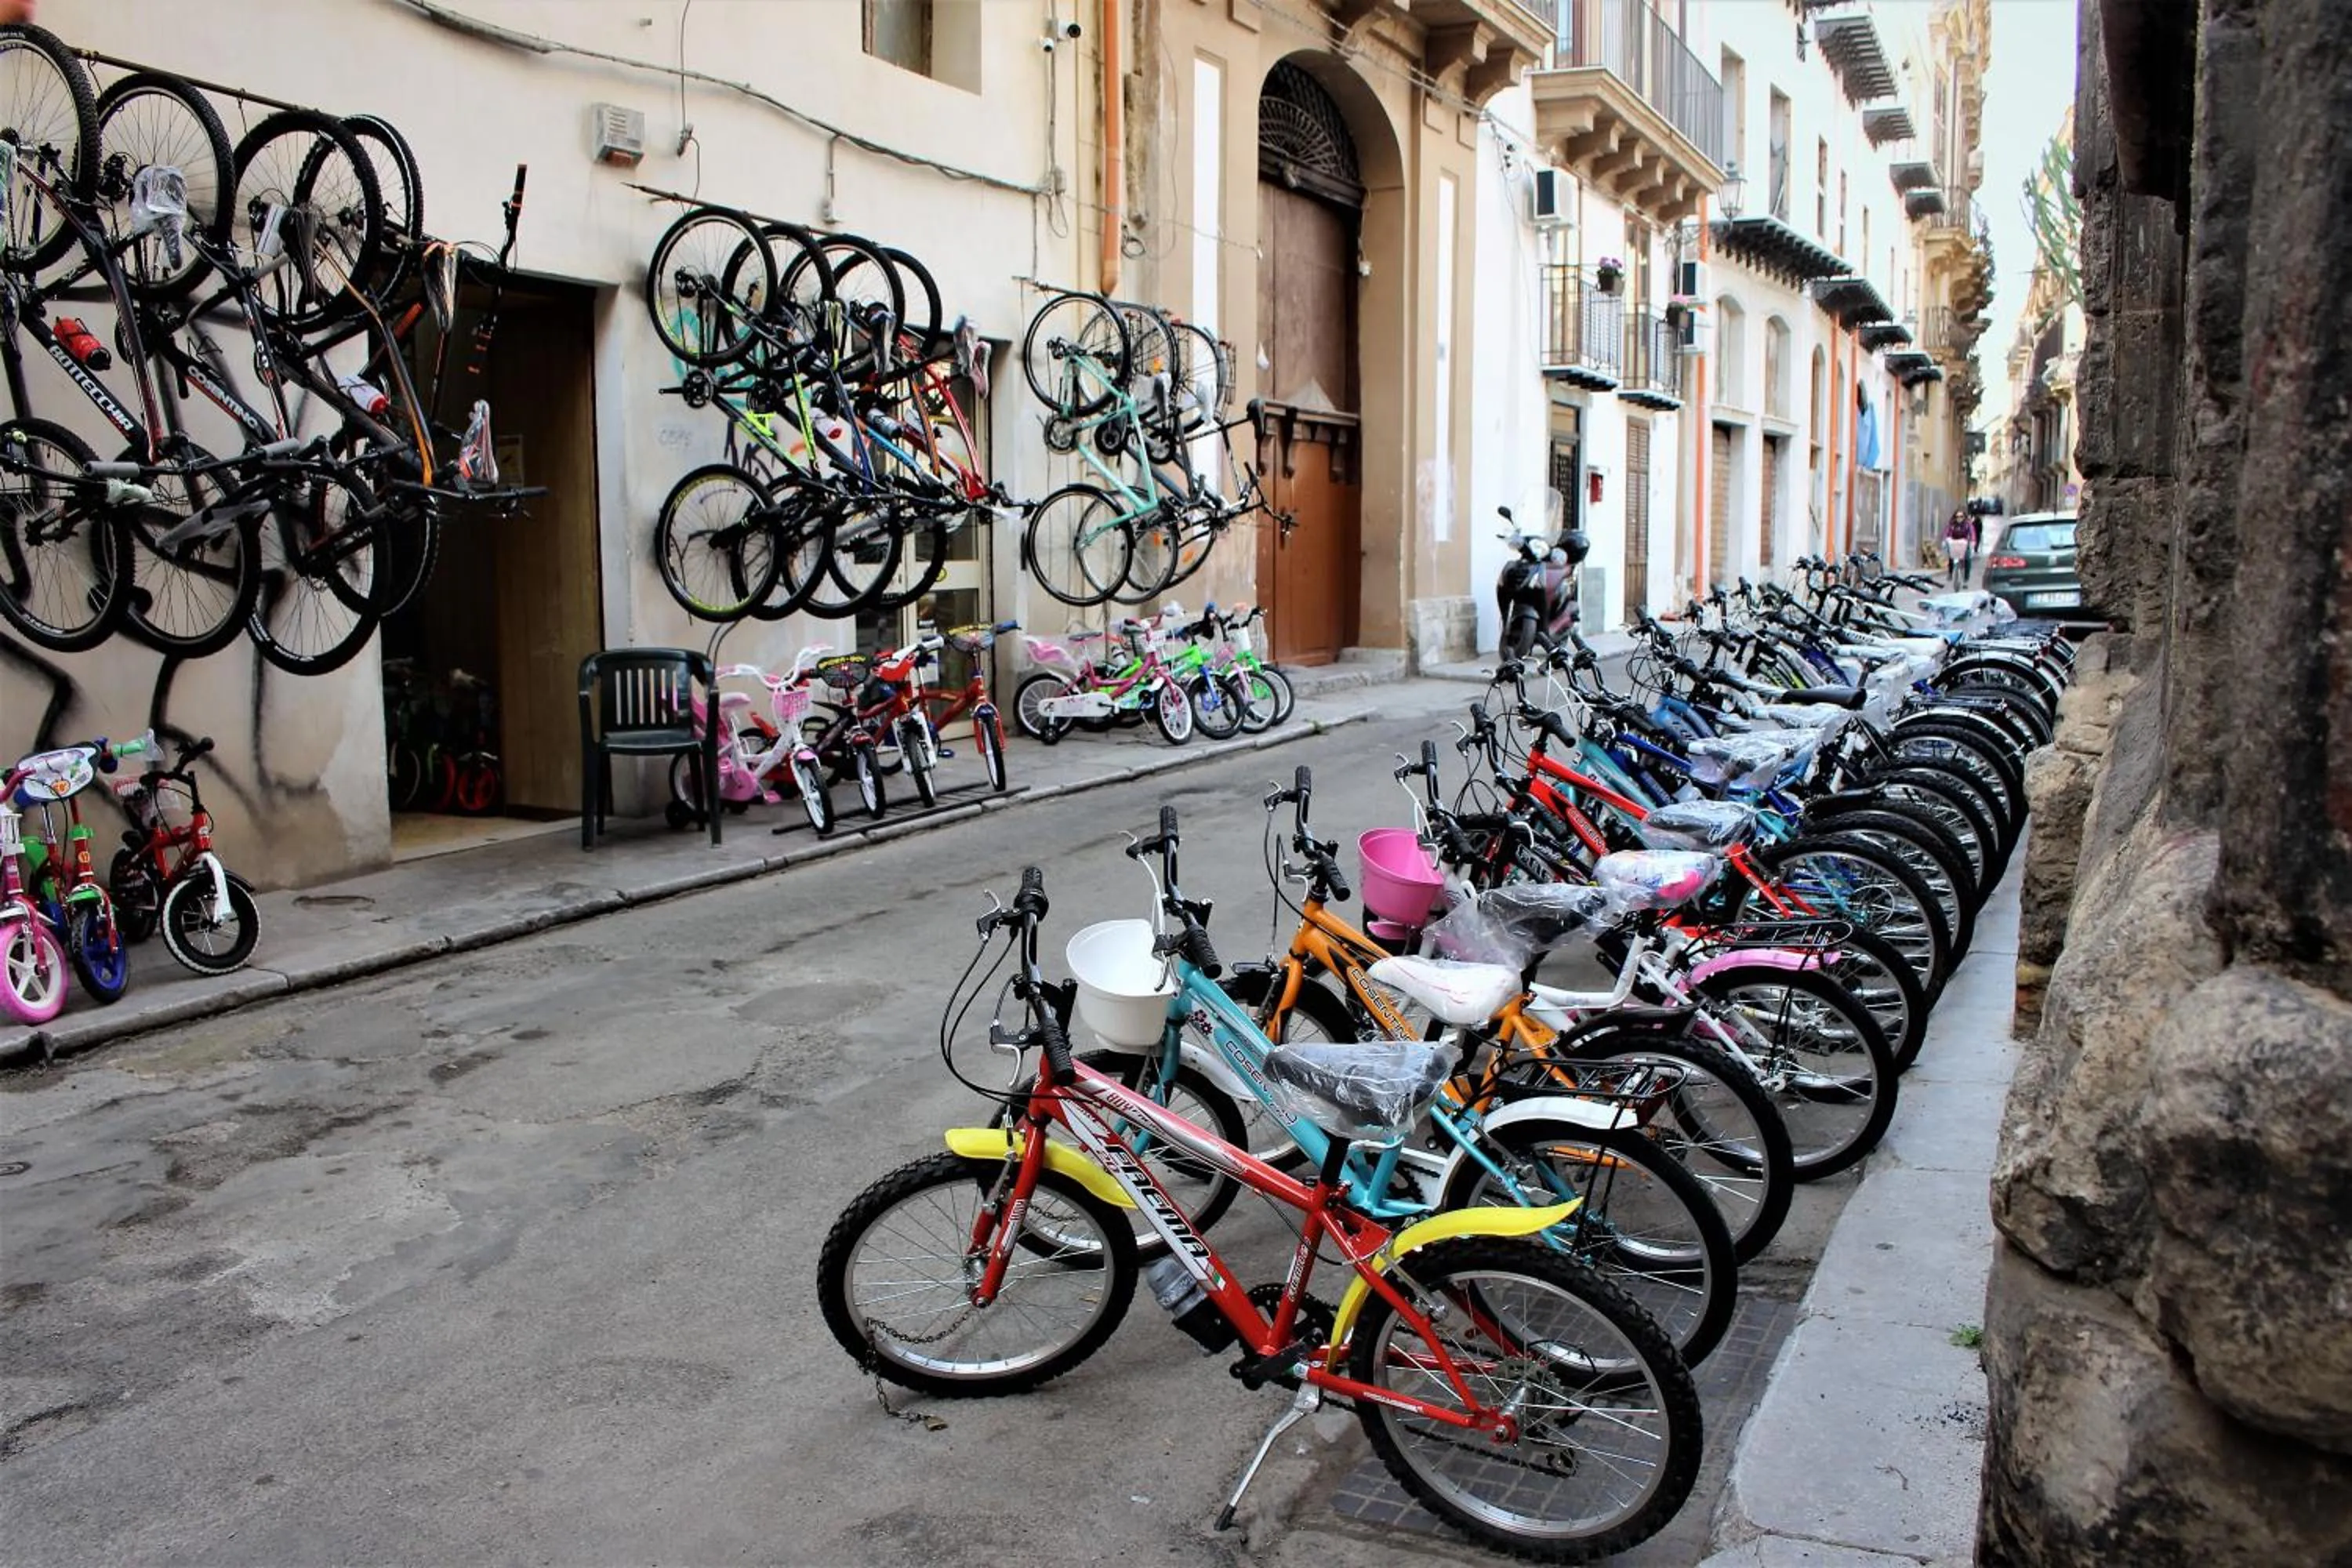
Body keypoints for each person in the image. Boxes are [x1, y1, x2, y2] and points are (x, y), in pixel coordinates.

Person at [1944, 510, 1974, 589]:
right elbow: (1948, 532)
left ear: (1964, 517)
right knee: (1951, 556)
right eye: (1957, 517)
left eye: (1961, 516)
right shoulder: (1952, 524)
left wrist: (1972, 542)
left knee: (1968, 559)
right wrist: (1947, 540)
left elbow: (1972, 533)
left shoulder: (1968, 525)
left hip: (1964, 543)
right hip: (1954, 543)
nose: (1959, 518)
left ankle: (1966, 580)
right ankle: (1950, 573)